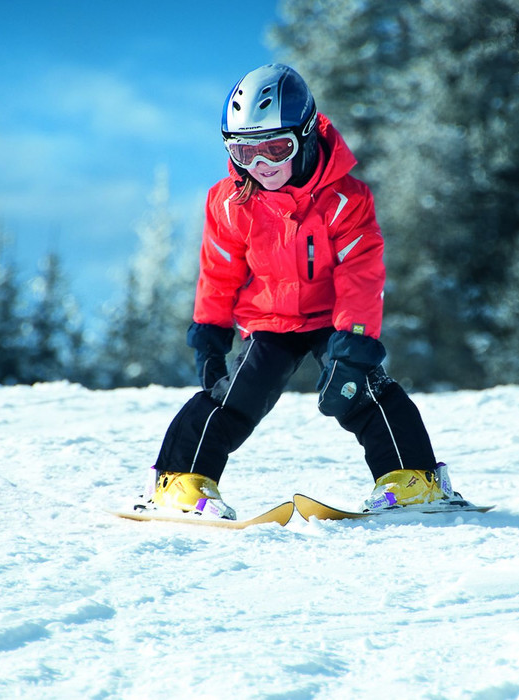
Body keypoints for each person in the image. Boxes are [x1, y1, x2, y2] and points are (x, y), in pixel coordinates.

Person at [147, 64, 456, 519]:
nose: (261, 166)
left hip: (333, 320)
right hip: (271, 321)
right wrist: (210, 334)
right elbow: (219, 271)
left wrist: (352, 347)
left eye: (276, 149)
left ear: (307, 136)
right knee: (233, 397)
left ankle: (412, 478)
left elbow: (360, 273)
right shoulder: (231, 202)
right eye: (244, 151)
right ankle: (181, 482)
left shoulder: (345, 200)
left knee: (362, 391)